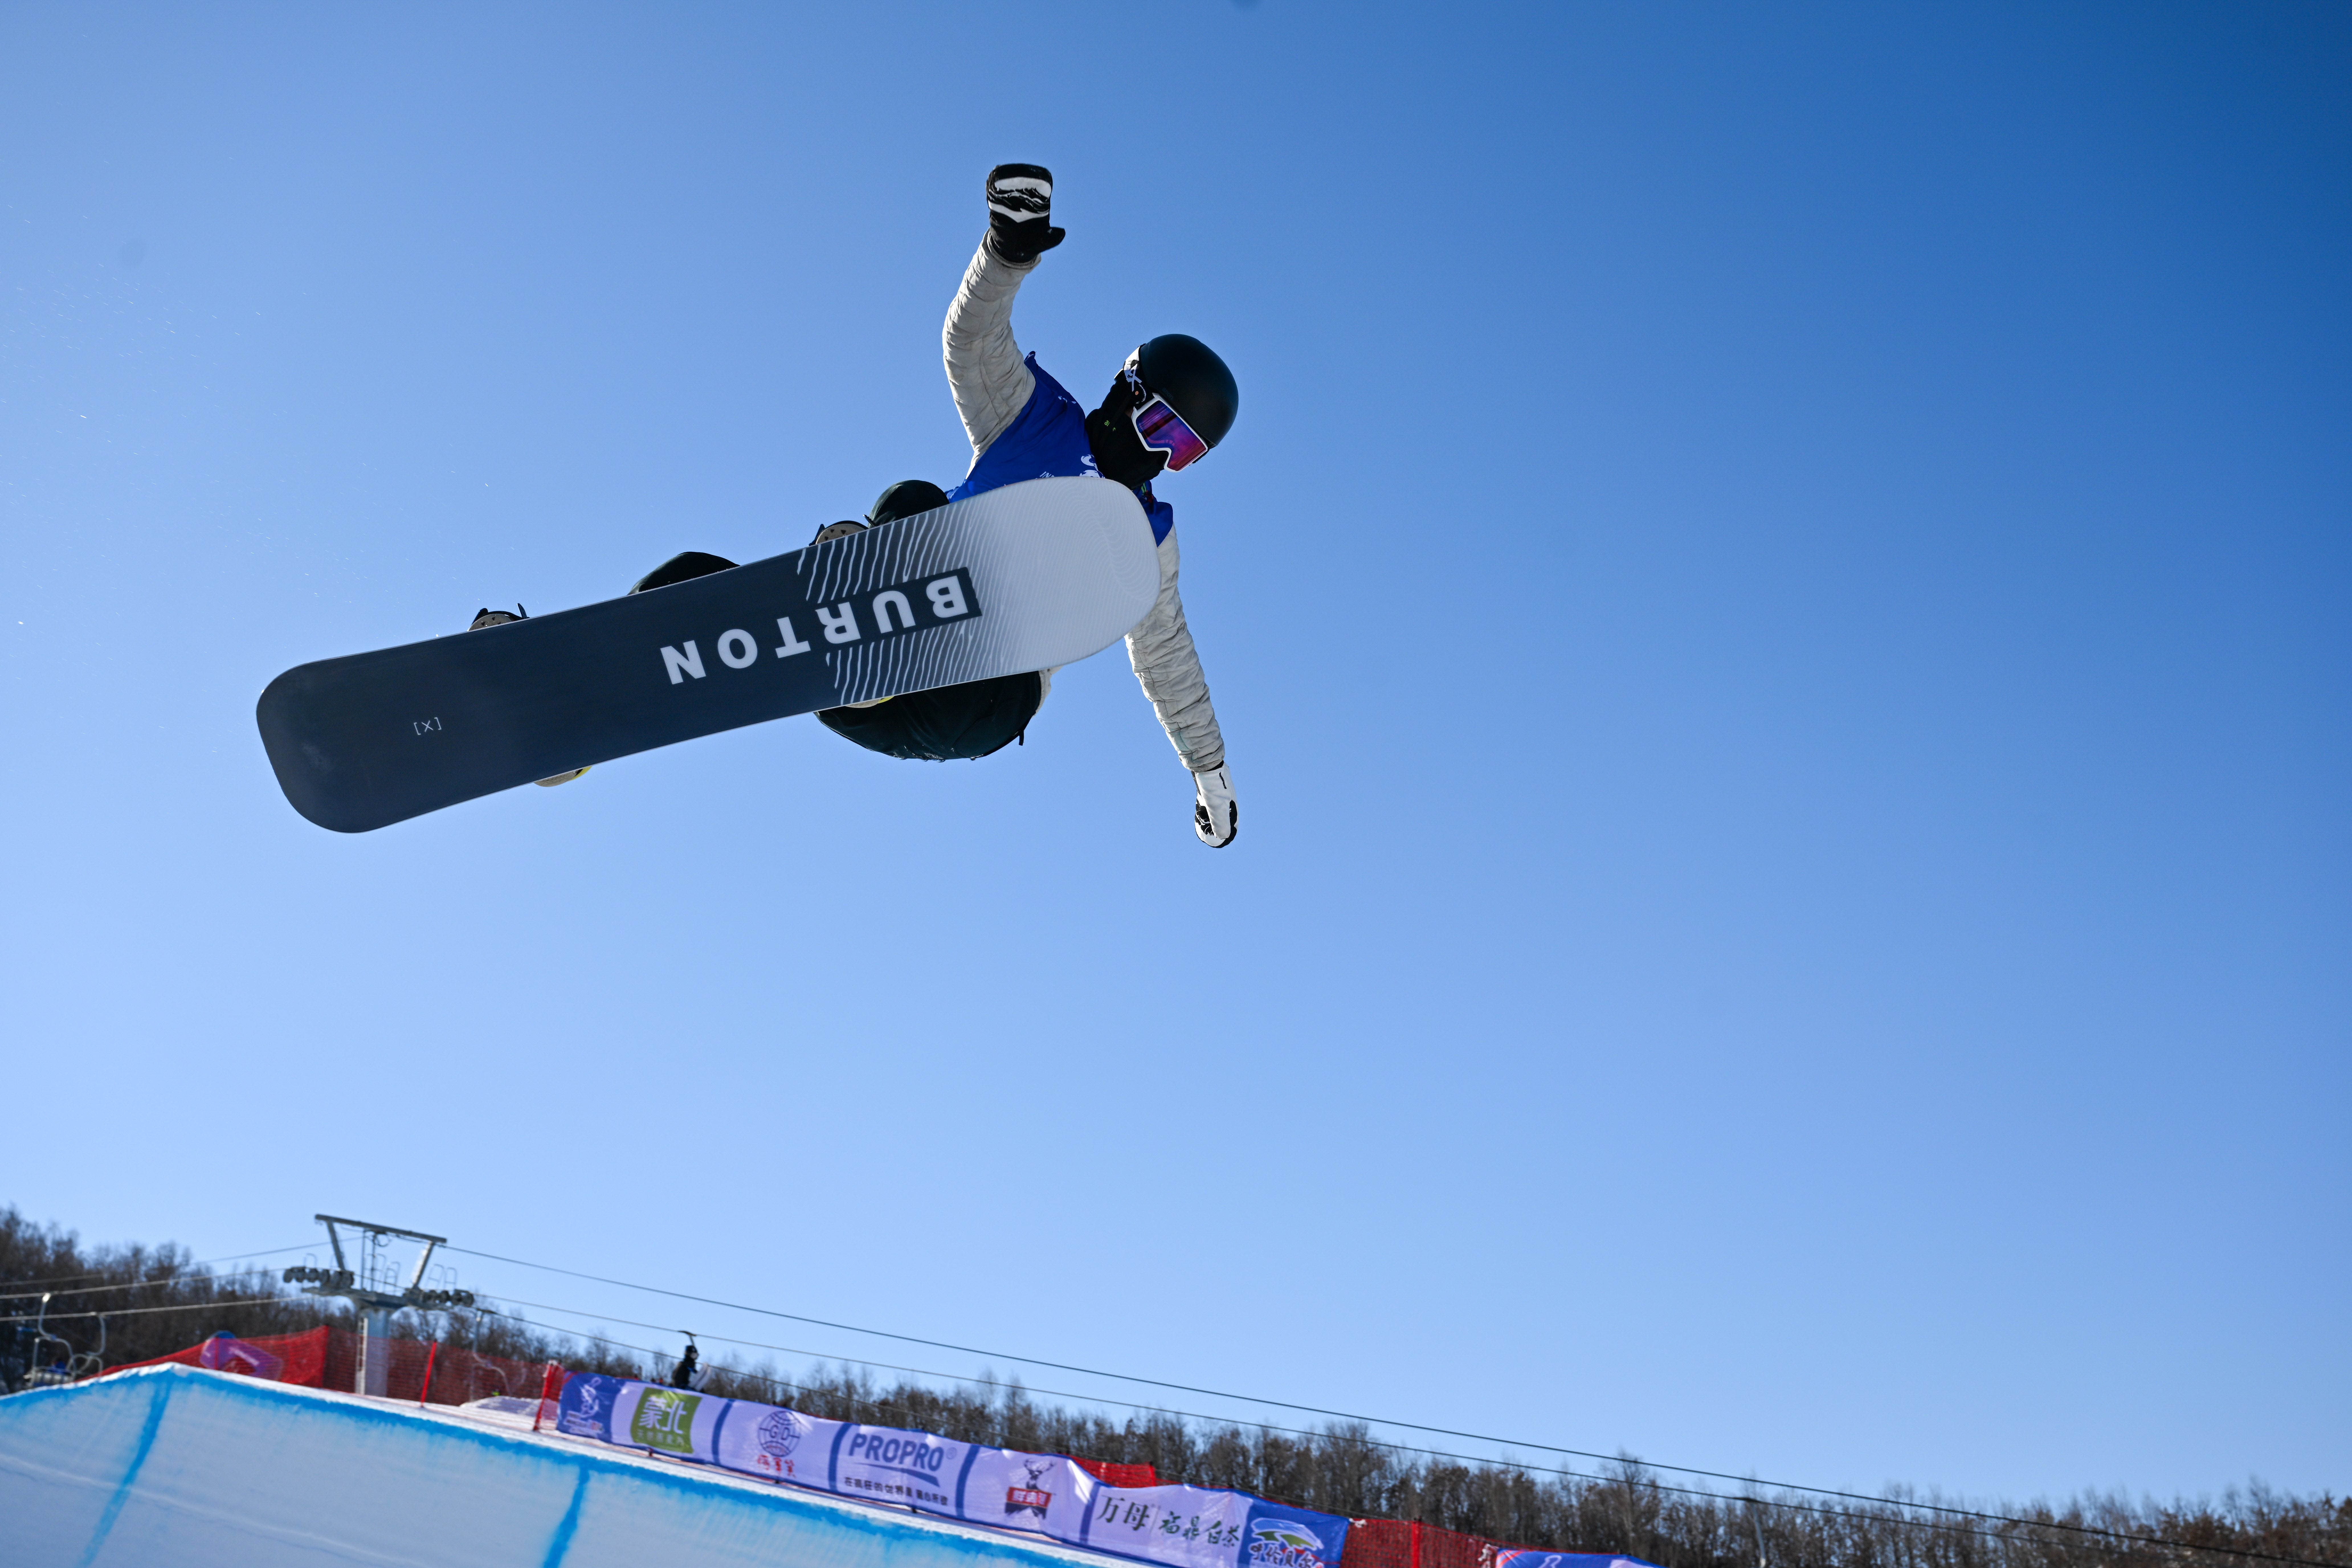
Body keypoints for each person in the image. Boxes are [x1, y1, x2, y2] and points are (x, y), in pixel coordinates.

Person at [467, 165, 1241, 847]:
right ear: (1126, 390)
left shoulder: (1147, 539)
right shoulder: (1034, 416)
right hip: (883, 665)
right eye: (1161, 425)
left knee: (904, 507)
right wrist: (1006, 252)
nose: (1159, 456)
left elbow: (1170, 664)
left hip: (983, 695)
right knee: (702, 574)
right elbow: (971, 342)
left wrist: (1209, 774)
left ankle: (873, 631)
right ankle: (567, 720)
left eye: (1183, 451)